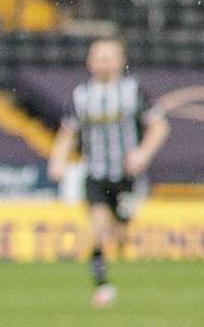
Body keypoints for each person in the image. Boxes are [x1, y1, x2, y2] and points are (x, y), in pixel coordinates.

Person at [44, 36, 166, 308]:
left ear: (121, 61)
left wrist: (143, 153)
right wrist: (57, 160)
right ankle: (102, 285)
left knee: (121, 234)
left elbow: (158, 126)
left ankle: (118, 262)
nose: (103, 62)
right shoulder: (82, 96)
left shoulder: (133, 91)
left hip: (128, 175)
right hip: (96, 173)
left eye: (108, 56)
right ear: (89, 62)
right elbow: (68, 132)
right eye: (98, 57)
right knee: (99, 229)